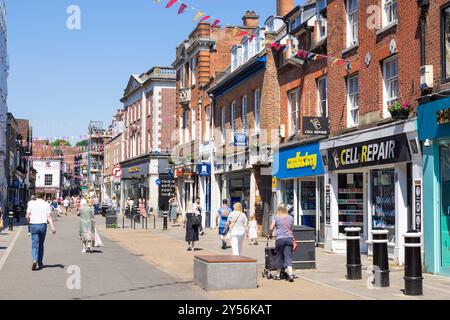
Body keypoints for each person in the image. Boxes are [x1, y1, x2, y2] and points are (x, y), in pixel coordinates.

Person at [26, 192, 56, 271]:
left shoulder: (31, 203)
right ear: (44, 196)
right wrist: (52, 227)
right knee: (41, 244)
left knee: (34, 244)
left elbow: (27, 216)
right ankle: (40, 262)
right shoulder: (46, 204)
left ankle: (34, 260)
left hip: (33, 225)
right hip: (42, 225)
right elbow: (49, 216)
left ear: (36, 195)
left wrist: (29, 221)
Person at [269, 203, 295, 283]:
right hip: (289, 239)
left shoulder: (276, 217)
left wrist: (270, 234)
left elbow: (271, 227)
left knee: (279, 256)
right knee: (288, 257)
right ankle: (290, 274)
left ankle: (278, 275)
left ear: (278, 209)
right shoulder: (290, 218)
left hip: (280, 239)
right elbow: (291, 228)